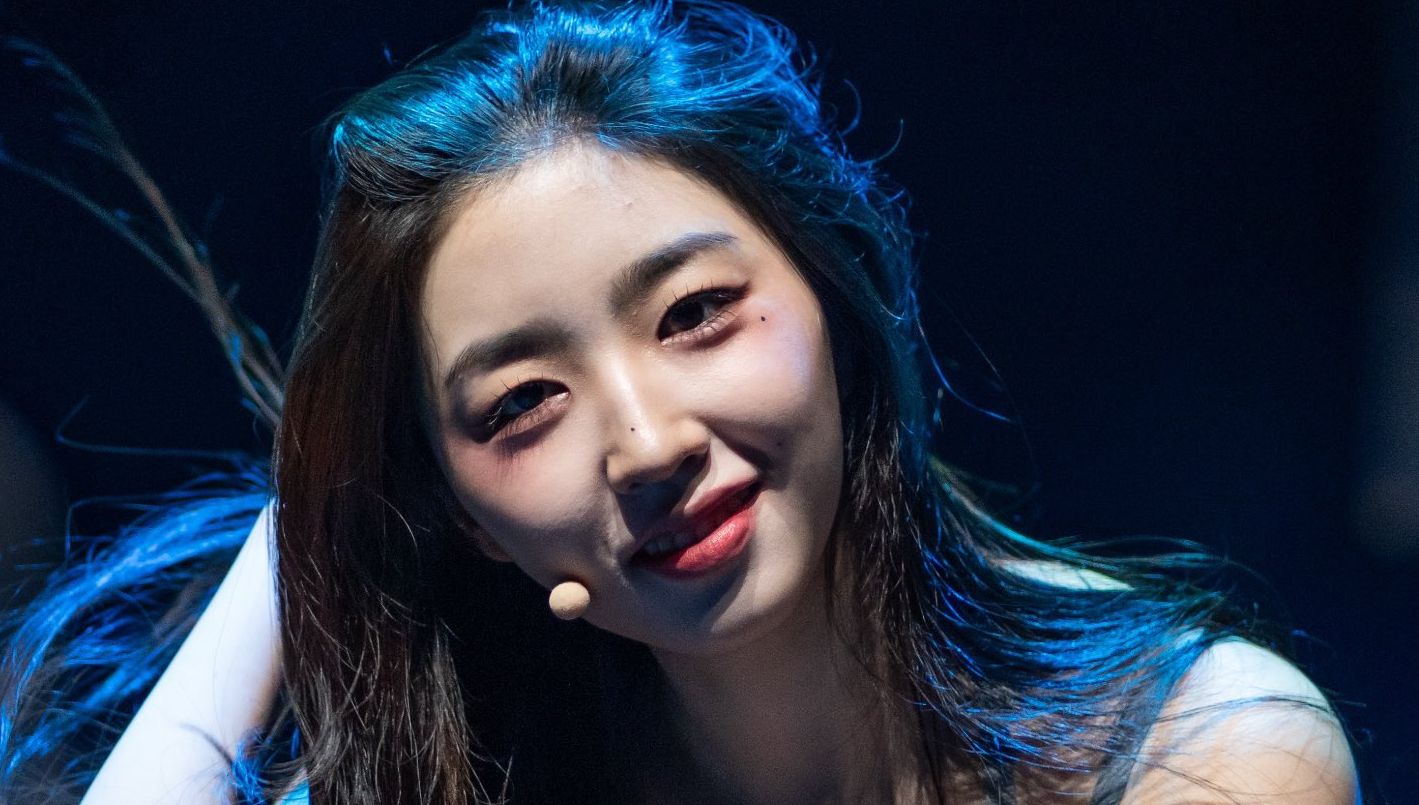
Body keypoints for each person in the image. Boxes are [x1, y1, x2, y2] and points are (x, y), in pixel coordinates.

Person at [0, 1, 1359, 803]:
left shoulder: (1201, 755)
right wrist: (310, 520)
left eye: (697, 314)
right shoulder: (485, 776)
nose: (648, 443)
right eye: (521, 406)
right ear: (461, 511)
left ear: (837, 298)